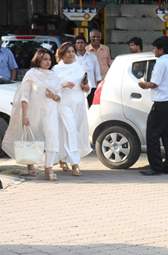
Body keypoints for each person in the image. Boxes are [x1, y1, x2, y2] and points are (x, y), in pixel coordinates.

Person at [1, 48, 61, 180]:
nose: (48, 62)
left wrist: (53, 96)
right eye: (44, 59)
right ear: (38, 59)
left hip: (50, 112)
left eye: (49, 59)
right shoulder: (32, 74)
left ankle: (49, 167)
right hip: (34, 112)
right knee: (32, 139)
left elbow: (59, 97)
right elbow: (25, 96)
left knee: (52, 137)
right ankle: (30, 165)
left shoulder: (54, 75)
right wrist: (25, 115)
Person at [139, 36, 168, 175]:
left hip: (161, 103)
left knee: (153, 135)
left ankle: (156, 167)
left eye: (154, 48)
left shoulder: (161, 63)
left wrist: (143, 84)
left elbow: (154, 83)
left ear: (160, 50)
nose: (153, 51)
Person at [53, 42, 92, 176]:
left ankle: (62, 158)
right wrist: (63, 85)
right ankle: (75, 163)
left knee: (73, 130)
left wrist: (86, 87)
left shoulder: (79, 67)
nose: (71, 54)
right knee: (70, 130)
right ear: (62, 54)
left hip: (79, 102)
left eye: (72, 51)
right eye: (68, 52)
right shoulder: (56, 69)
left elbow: (88, 86)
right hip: (63, 102)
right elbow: (51, 87)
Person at [74, 35, 102, 107]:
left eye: (82, 42)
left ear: (85, 44)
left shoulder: (92, 56)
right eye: (78, 43)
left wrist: (98, 90)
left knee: (91, 109)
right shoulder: (72, 58)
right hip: (77, 89)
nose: (80, 45)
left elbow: (98, 75)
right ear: (75, 45)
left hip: (91, 88)